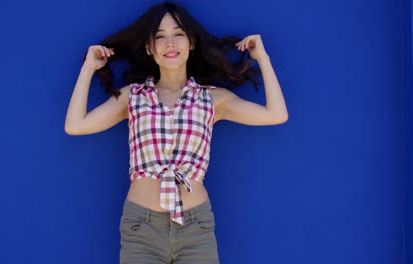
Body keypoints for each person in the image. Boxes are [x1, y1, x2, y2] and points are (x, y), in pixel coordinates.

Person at [64, 2, 288, 263]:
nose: (170, 43)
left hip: (196, 227)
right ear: (150, 48)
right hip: (141, 228)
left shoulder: (213, 99)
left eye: (178, 34)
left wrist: (263, 58)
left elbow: (276, 114)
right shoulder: (133, 97)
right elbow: (75, 125)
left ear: (191, 42)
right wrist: (88, 68)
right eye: (160, 36)